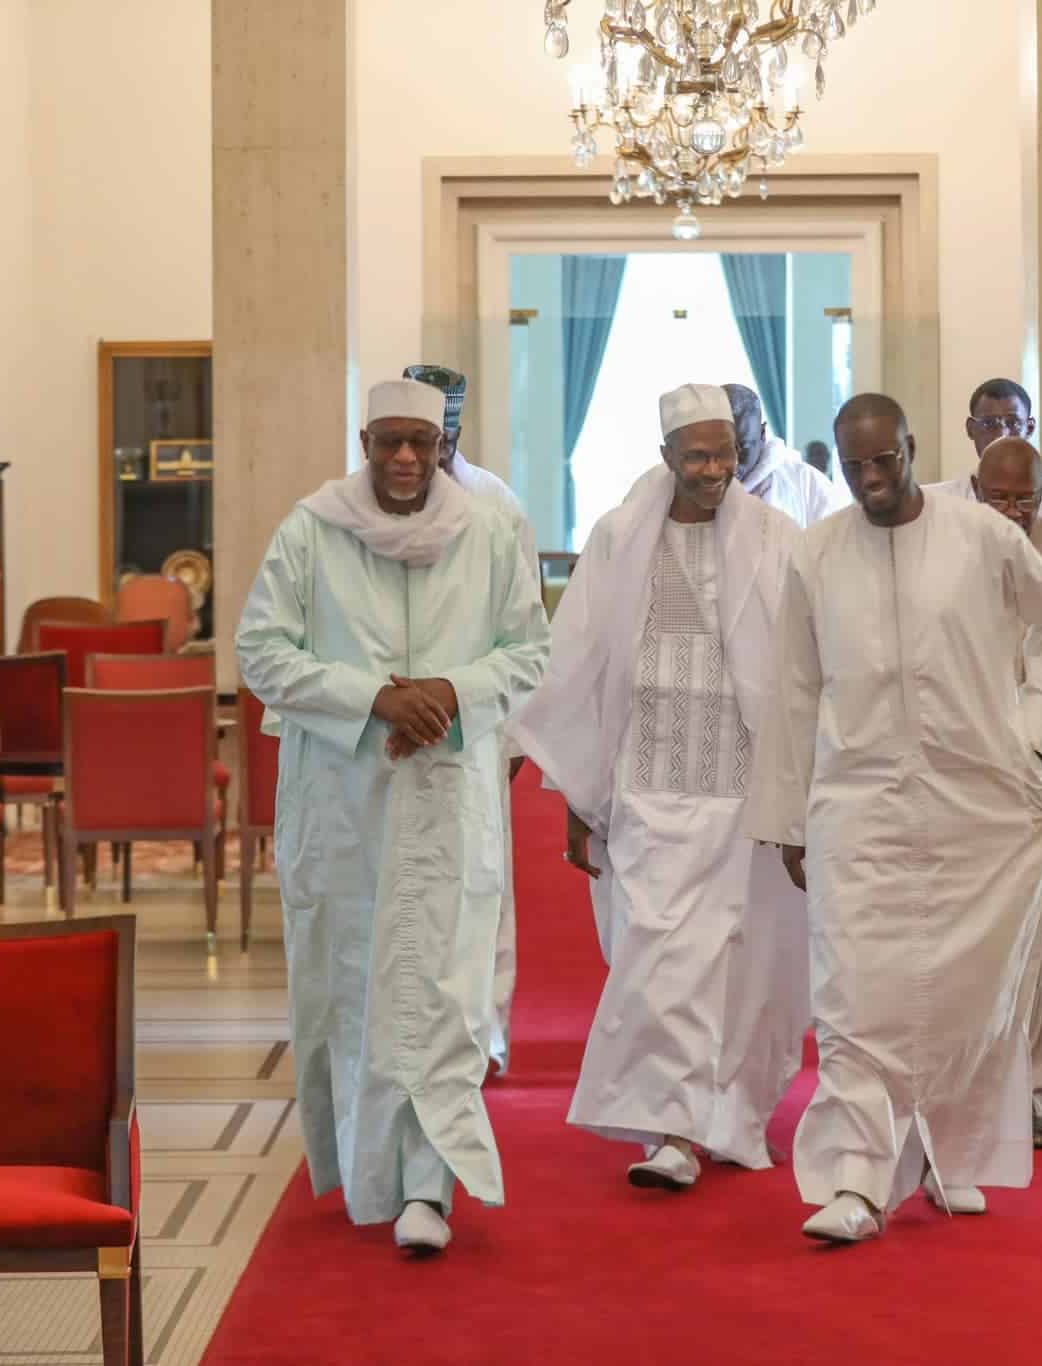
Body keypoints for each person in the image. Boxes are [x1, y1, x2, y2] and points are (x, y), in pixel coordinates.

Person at [746, 393, 1042, 1244]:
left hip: (977, 802)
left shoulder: (984, 537)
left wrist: (1036, 737)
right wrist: (787, 815)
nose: (870, 479)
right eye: (854, 464)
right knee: (852, 990)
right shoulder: (816, 552)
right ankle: (856, 1181)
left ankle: (946, 1154)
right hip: (854, 801)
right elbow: (792, 687)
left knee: (963, 989)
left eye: (885, 461)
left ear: (911, 449)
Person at [236, 379, 551, 1256]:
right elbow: (261, 651)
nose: (407, 460)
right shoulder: (312, 529)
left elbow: (530, 652)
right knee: (359, 988)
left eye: (423, 443)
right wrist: (375, 698)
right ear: (365, 440)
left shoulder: (491, 529)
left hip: (449, 799)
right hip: (344, 801)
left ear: (445, 444)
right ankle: (373, 1173)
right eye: (390, 444)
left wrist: (451, 693)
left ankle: (428, 1184)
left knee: (445, 989)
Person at [509, 384, 808, 1190]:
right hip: (646, 791)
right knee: (656, 959)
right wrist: (580, 798)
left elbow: (805, 674)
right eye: (698, 456)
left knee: (737, 968)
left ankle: (728, 1118)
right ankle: (670, 1130)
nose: (715, 470)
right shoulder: (618, 540)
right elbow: (580, 670)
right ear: (667, 456)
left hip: (744, 798)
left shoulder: (780, 539)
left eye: (726, 454)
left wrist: (798, 800)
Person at [932, 437, 1042, 1153]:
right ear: (975, 490)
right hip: (967, 764)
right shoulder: (944, 547)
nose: (1011, 513)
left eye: (1023, 499)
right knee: (971, 926)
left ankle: (1033, 1079)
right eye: (997, 498)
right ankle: (969, 1075)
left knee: (1040, 933)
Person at [405, 363, 538, 1076]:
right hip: (391, 728)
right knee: (406, 880)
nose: (430, 453)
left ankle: (485, 1032)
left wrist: (514, 732)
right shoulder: (363, 507)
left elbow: (525, 631)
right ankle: (415, 1026)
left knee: (482, 880)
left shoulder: (497, 505)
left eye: (443, 437)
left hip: (476, 722)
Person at [925, 378, 1042, 565]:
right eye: (989, 424)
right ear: (970, 429)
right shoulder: (939, 503)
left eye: (1012, 423)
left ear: (1030, 427)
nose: (1001, 435)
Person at [724, 383, 852, 527]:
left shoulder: (807, 485)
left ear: (762, 434)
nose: (732, 461)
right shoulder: (699, 487)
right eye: (722, 449)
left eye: (742, 447)